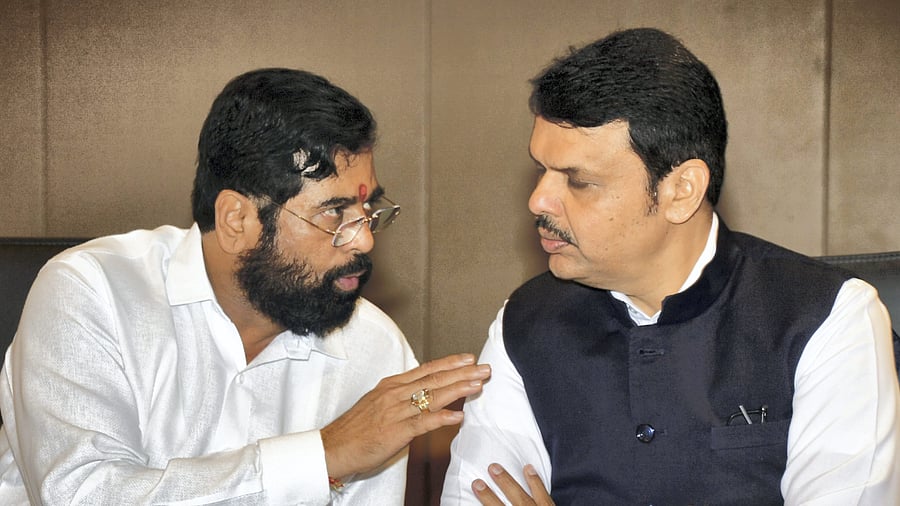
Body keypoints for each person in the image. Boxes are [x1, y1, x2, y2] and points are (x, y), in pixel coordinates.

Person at [442, 27, 900, 505]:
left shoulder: (829, 318)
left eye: (577, 181)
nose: (539, 199)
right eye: (542, 170)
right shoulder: (525, 321)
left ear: (681, 190)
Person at [0, 68, 491, 504]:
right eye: (334, 213)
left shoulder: (374, 347)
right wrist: (321, 457)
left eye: (368, 212)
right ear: (236, 219)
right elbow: (83, 494)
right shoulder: (92, 294)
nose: (363, 239)